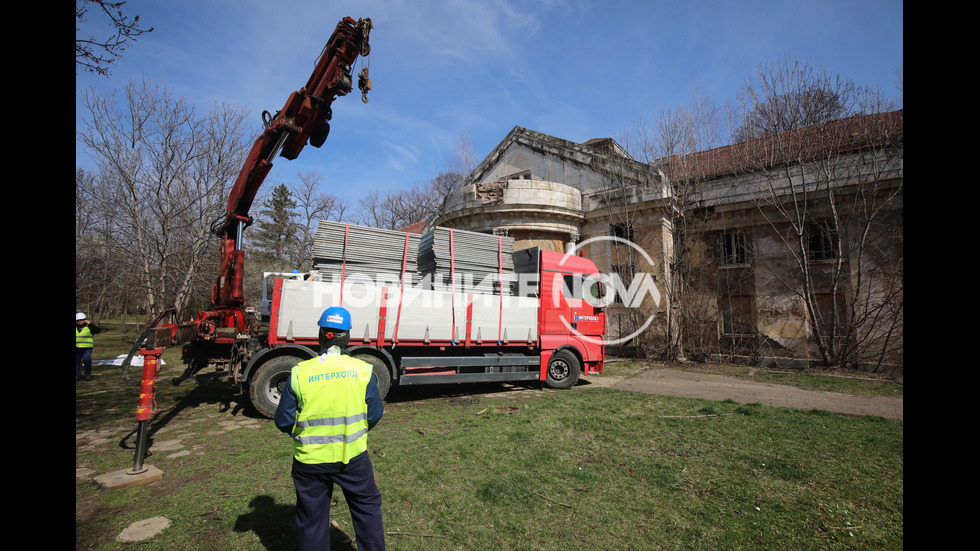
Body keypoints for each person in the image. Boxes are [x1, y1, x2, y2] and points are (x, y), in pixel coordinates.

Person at [275, 306, 386, 551]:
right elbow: (375, 415)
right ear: (347, 336)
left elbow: (283, 421)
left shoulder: (300, 373)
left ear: (321, 334)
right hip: (353, 459)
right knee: (366, 510)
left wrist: (300, 434)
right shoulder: (363, 371)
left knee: (312, 520)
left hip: (310, 462)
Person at [75, 312, 102, 382]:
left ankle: (87, 374)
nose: (79, 321)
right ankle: (77, 375)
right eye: (78, 320)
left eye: (81, 320)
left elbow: (98, 331)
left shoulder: (89, 327)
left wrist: (90, 324)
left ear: (85, 320)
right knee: (77, 362)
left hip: (87, 348)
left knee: (86, 360)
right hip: (77, 348)